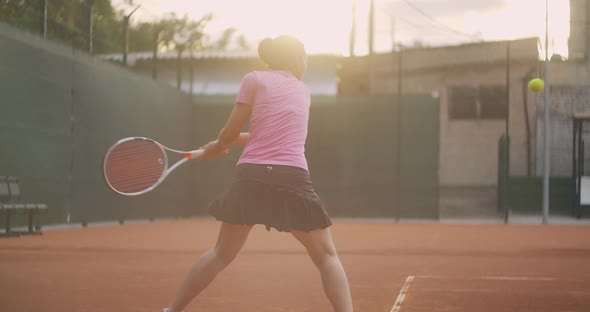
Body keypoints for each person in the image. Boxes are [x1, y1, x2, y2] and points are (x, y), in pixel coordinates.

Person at [163, 35, 353, 312]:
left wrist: (219, 145)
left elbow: (233, 134)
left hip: (252, 176)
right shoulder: (303, 91)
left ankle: (172, 311)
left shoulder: (254, 79)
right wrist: (223, 143)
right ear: (298, 60)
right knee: (326, 256)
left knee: (221, 254)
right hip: (291, 176)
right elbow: (256, 136)